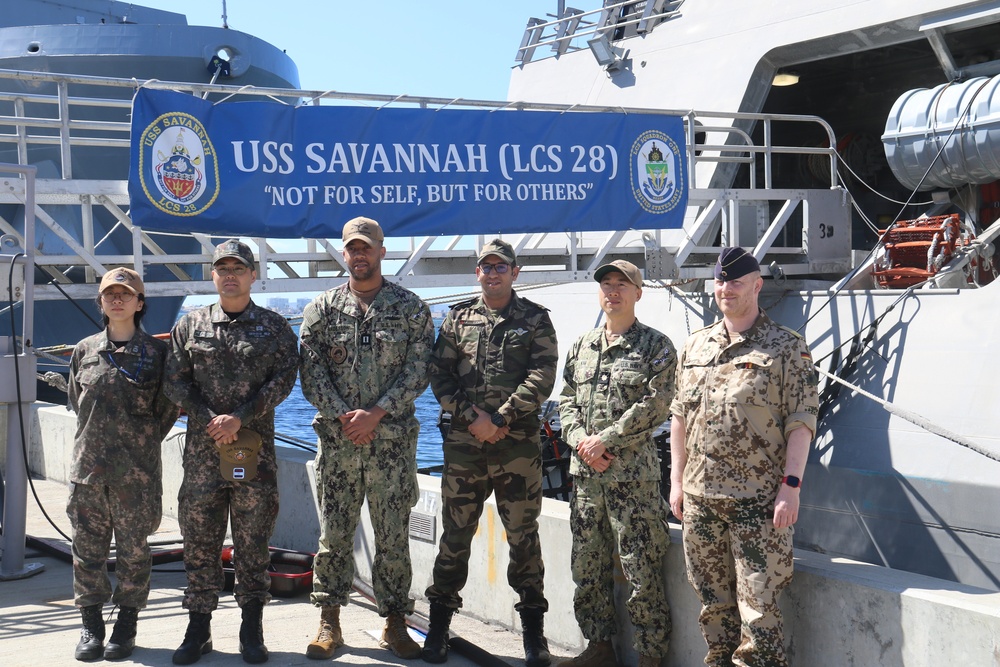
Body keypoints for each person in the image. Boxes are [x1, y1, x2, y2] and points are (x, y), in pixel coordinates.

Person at [669, 247, 819, 667]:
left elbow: (801, 423)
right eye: (719, 281)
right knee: (713, 609)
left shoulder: (787, 348)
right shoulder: (695, 346)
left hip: (758, 505)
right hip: (700, 502)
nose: (725, 289)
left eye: (735, 282)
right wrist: (677, 482)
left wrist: (791, 486)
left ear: (757, 285)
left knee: (759, 615)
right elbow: (679, 416)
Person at [298, 217, 434, 661]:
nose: (359, 255)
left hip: (391, 446)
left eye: (366, 247)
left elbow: (418, 371)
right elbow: (311, 372)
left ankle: (394, 623)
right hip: (339, 445)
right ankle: (329, 620)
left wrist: (375, 414)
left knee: (393, 535)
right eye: (352, 248)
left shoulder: (410, 308)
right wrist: (345, 416)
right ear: (345, 253)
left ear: (381, 251)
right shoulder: (321, 309)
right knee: (333, 535)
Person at [422, 239, 558, 667]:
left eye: (501, 267)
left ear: (515, 273)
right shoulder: (457, 319)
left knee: (524, 539)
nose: (493, 273)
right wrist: (471, 418)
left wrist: (499, 418)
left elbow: (543, 375)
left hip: (516, 446)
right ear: (477, 273)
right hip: (465, 447)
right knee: (455, 536)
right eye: (486, 267)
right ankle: (440, 626)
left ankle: (534, 636)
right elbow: (439, 376)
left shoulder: (535, 320)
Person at [165, 239, 299, 665]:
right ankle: (198, 627)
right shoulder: (192, 325)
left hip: (252, 455)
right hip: (204, 455)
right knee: (200, 541)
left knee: (252, 541)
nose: (229, 275)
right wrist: (209, 417)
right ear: (212, 275)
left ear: (252, 274)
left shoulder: (274, 327)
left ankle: (251, 628)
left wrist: (240, 416)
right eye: (222, 268)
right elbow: (175, 381)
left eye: (238, 268)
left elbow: (284, 378)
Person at [556, 260, 676, 667]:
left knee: (641, 570)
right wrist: (580, 442)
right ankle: (599, 648)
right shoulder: (582, 345)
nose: (613, 291)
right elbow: (567, 402)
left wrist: (603, 441)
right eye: (606, 284)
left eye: (622, 285)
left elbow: (657, 404)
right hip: (587, 480)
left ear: (638, 293)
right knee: (588, 567)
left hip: (633, 483)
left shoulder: (656, 347)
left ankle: (650, 657)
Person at [66, 267, 178, 661]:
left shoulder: (157, 355)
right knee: (87, 551)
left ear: (140, 303)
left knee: (134, 552)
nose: (117, 299)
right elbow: (76, 403)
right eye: (110, 294)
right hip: (88, 472)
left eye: (125, 294)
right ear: (101, 301)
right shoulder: (84, 350)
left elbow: (166, 411)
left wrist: (137, 446)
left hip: (137, 476)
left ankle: (126, 625)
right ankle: (91, 626)